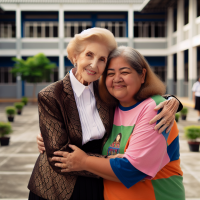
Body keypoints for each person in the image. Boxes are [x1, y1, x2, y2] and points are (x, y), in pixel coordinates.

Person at [31, 28, 181, 200]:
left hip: (97, 185)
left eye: (102, 59)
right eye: (89, 55)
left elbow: (141, 98)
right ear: (75, 56)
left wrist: (172, 101)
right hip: (58, 187)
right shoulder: (53, 95)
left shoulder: (105, 92)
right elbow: (59, 156)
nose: (94, 64)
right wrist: (109, 161)